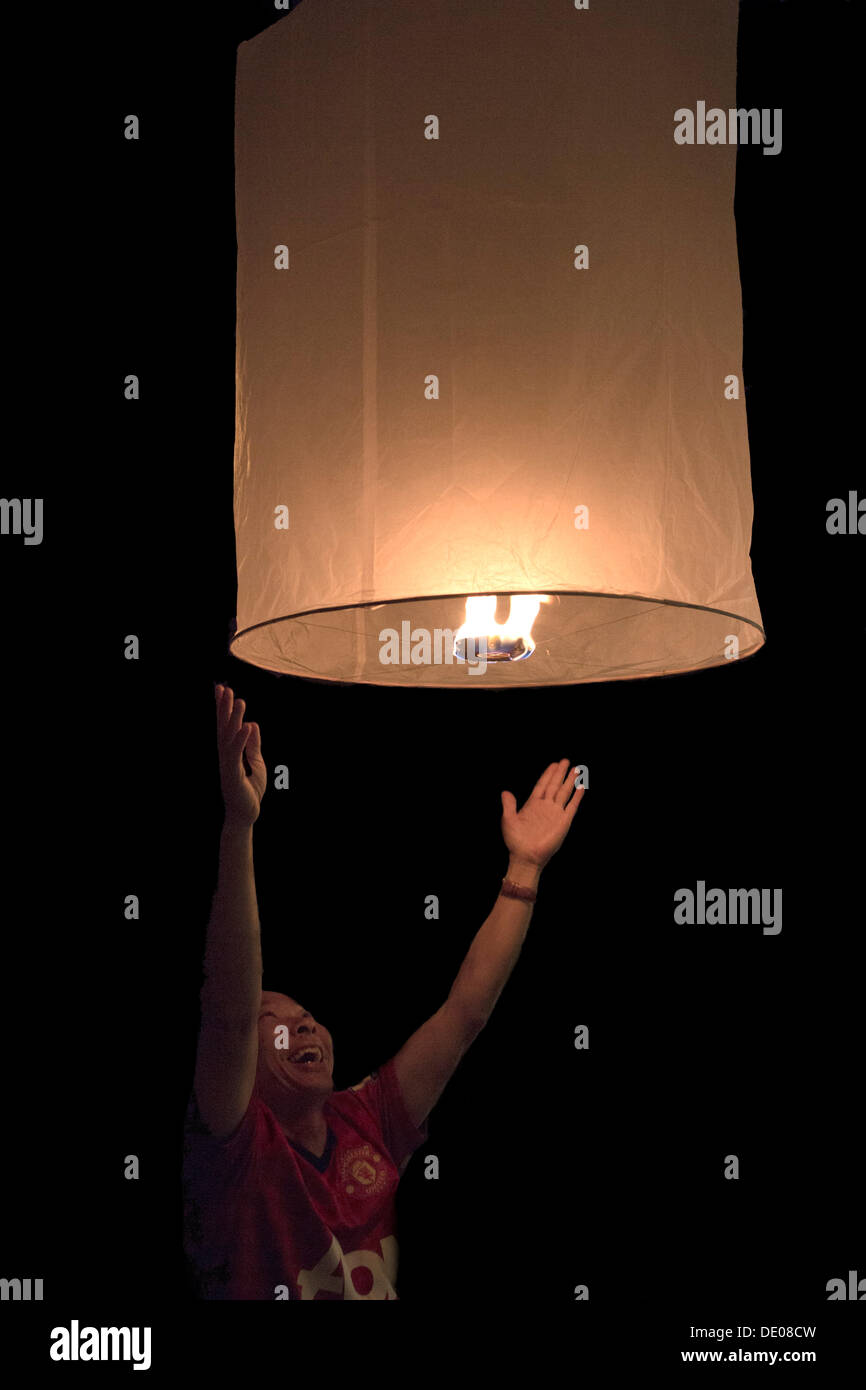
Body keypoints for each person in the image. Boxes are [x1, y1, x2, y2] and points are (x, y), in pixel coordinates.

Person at [182, 684, 585, 1300]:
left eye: (309, 1015)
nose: (305, 1025)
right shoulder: (231, 1151)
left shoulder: (369, 1120)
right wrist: (241, 825)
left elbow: (465, 1013)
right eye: (278, 1021)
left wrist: (523, 869)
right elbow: (230, 1013)